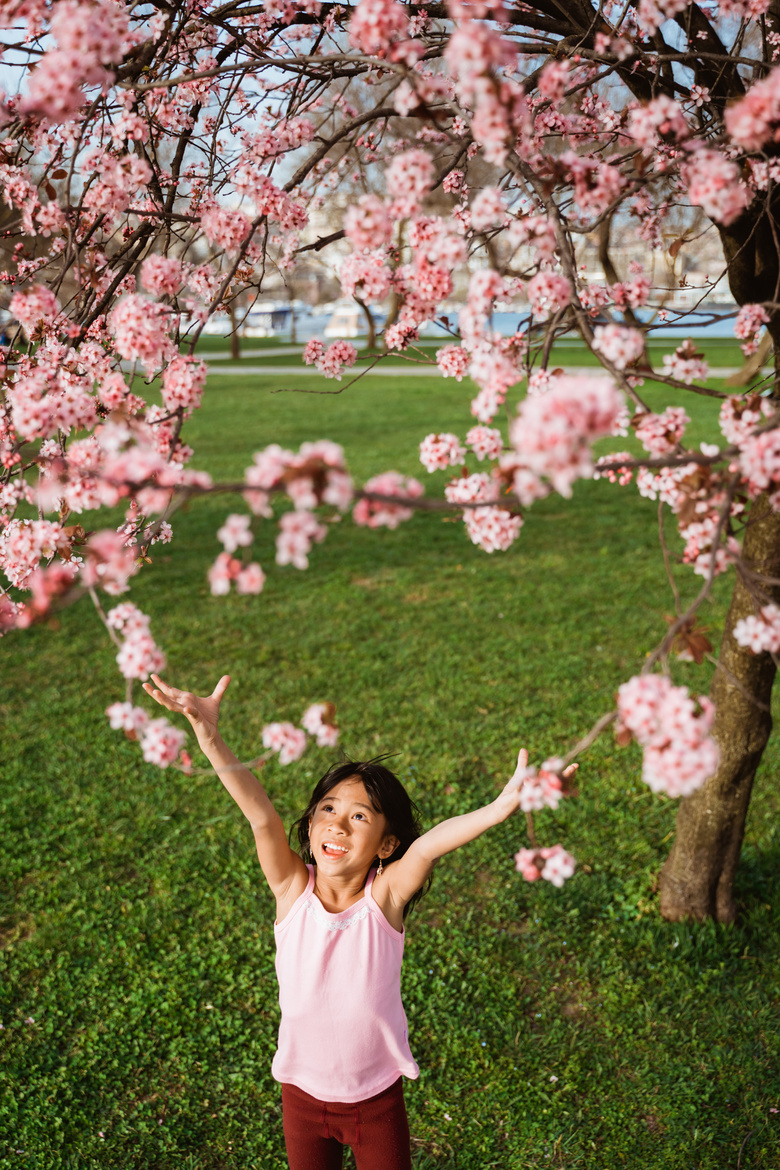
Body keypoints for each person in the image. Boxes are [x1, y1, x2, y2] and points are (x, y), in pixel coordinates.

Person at [143, 672, 573, 1170]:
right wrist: (210, 737)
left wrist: (498, 810)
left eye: (360, 817)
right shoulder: (291, 890)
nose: (337, 823)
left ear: (386, 847)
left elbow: (431, 844)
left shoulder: (384, 898)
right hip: (301, 1098)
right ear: (309, 824)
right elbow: (262, 817)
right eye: (327, 808)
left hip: (375, 1103)